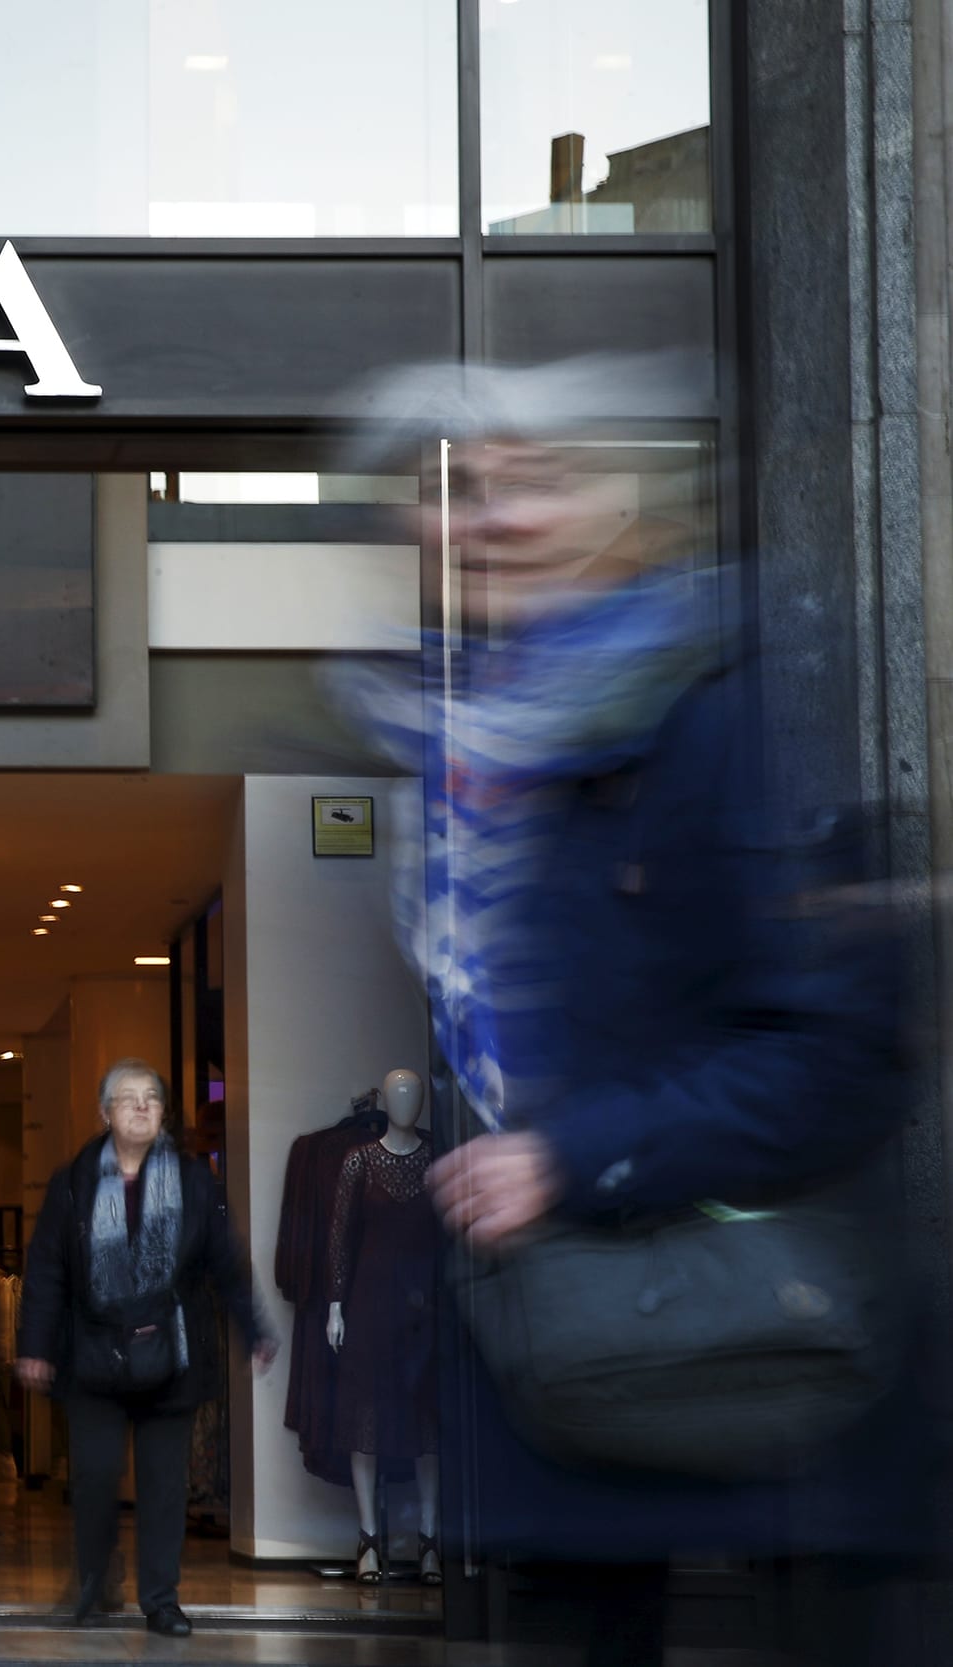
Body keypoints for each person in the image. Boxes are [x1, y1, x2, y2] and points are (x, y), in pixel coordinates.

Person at [333, 363, 924, 1667]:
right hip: (568, 1385)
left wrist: (569, 1156)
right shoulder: (464, 754)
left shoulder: (722, 708)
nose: (488, 515)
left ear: (621, 508)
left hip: (762, 1374)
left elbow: (842, 1052)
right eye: (454, 488)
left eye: (534, 482)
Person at [17, 1060, 275, 1637]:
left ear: (163, 1113)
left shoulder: (193, 1180)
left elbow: (226, 1264)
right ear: (105, 1112)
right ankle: (95, 1581)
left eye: (152, 1099)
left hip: (172, 1355)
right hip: (93, 1355)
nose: (141, 1107)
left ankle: (161, 1600)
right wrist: (35, 1345)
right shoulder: (72, 1182)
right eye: (127, 1098)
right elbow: (47, 1272)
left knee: (162, 1489)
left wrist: (253, 1328)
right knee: (95, 1478)